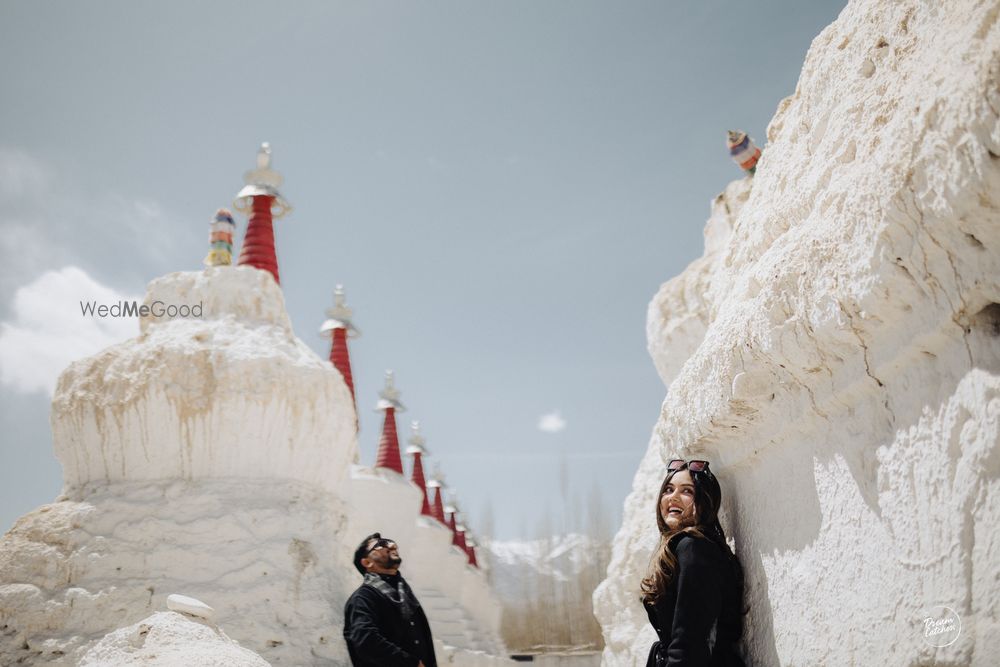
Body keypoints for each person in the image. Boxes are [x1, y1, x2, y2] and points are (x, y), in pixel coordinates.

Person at [641, 459, 745, 667]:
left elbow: (689, 640)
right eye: (668, 489)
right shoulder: (688, 548)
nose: (673, 497)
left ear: (704, 502)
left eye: (686, 491)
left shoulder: (694, 548)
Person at [343, 533, 437, 667]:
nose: (392, 545)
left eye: (389, 541)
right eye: (380, 544)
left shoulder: (406, 596)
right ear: (367, 562)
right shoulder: (363, 597)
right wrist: (410, 663)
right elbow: (365, 640)